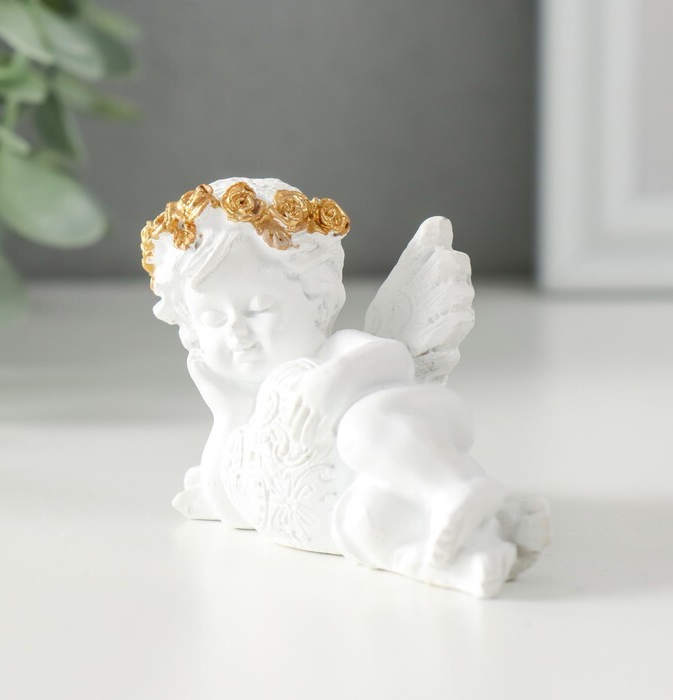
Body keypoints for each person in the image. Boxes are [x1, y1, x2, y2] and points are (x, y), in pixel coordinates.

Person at [143, 177, 550, 597]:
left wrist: (334, 382)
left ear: (318, 300)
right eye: (212, 319)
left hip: (419, 432)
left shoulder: (335, 353)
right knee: (361, 526)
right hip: (373, 496)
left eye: (259, 308)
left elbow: (395, 358)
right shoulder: (249, 417)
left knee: (363, 427)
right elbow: (233, 507)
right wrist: (226, 413)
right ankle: (471, 560)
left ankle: (456, 493)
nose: (237, 332)